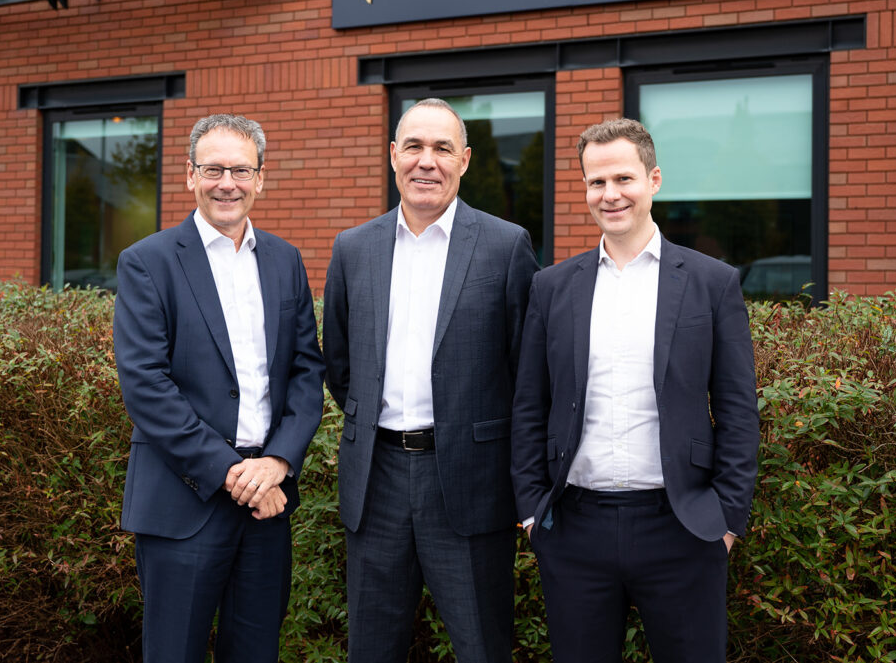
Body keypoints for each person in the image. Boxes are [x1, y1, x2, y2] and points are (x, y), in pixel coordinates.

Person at [511, 117, 759, 663]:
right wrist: (533, 513)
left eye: (623, 178)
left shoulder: (711, 283)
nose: (610, 194)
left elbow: (740, 412)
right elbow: (530, 405)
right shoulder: (552, 287)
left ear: (654, 179)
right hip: (574, 528)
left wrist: (725, 519)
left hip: (683, 528)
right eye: (596, 182)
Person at [323, 98, 539, 663]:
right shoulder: (353, 248)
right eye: (414, 146)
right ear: (393, 155)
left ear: (464, 160)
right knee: (371, 648)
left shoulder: (505, 245)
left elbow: (527, 373)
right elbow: (341, 366)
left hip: (470, 481)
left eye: (442, 148)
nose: (427, 161)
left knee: (482, 647)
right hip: (377, 480)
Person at [113, 114, 324, 663]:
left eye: (240, 169)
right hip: (184, 501)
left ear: (261, 178)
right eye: (213, 169)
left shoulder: (285, 260)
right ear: (189, 175)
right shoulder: (147, 262)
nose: (227, 182)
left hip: (266, 502)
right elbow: (146, 385)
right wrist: (232, 473)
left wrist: (278, 461)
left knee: (256, 651)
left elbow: (306, 371)